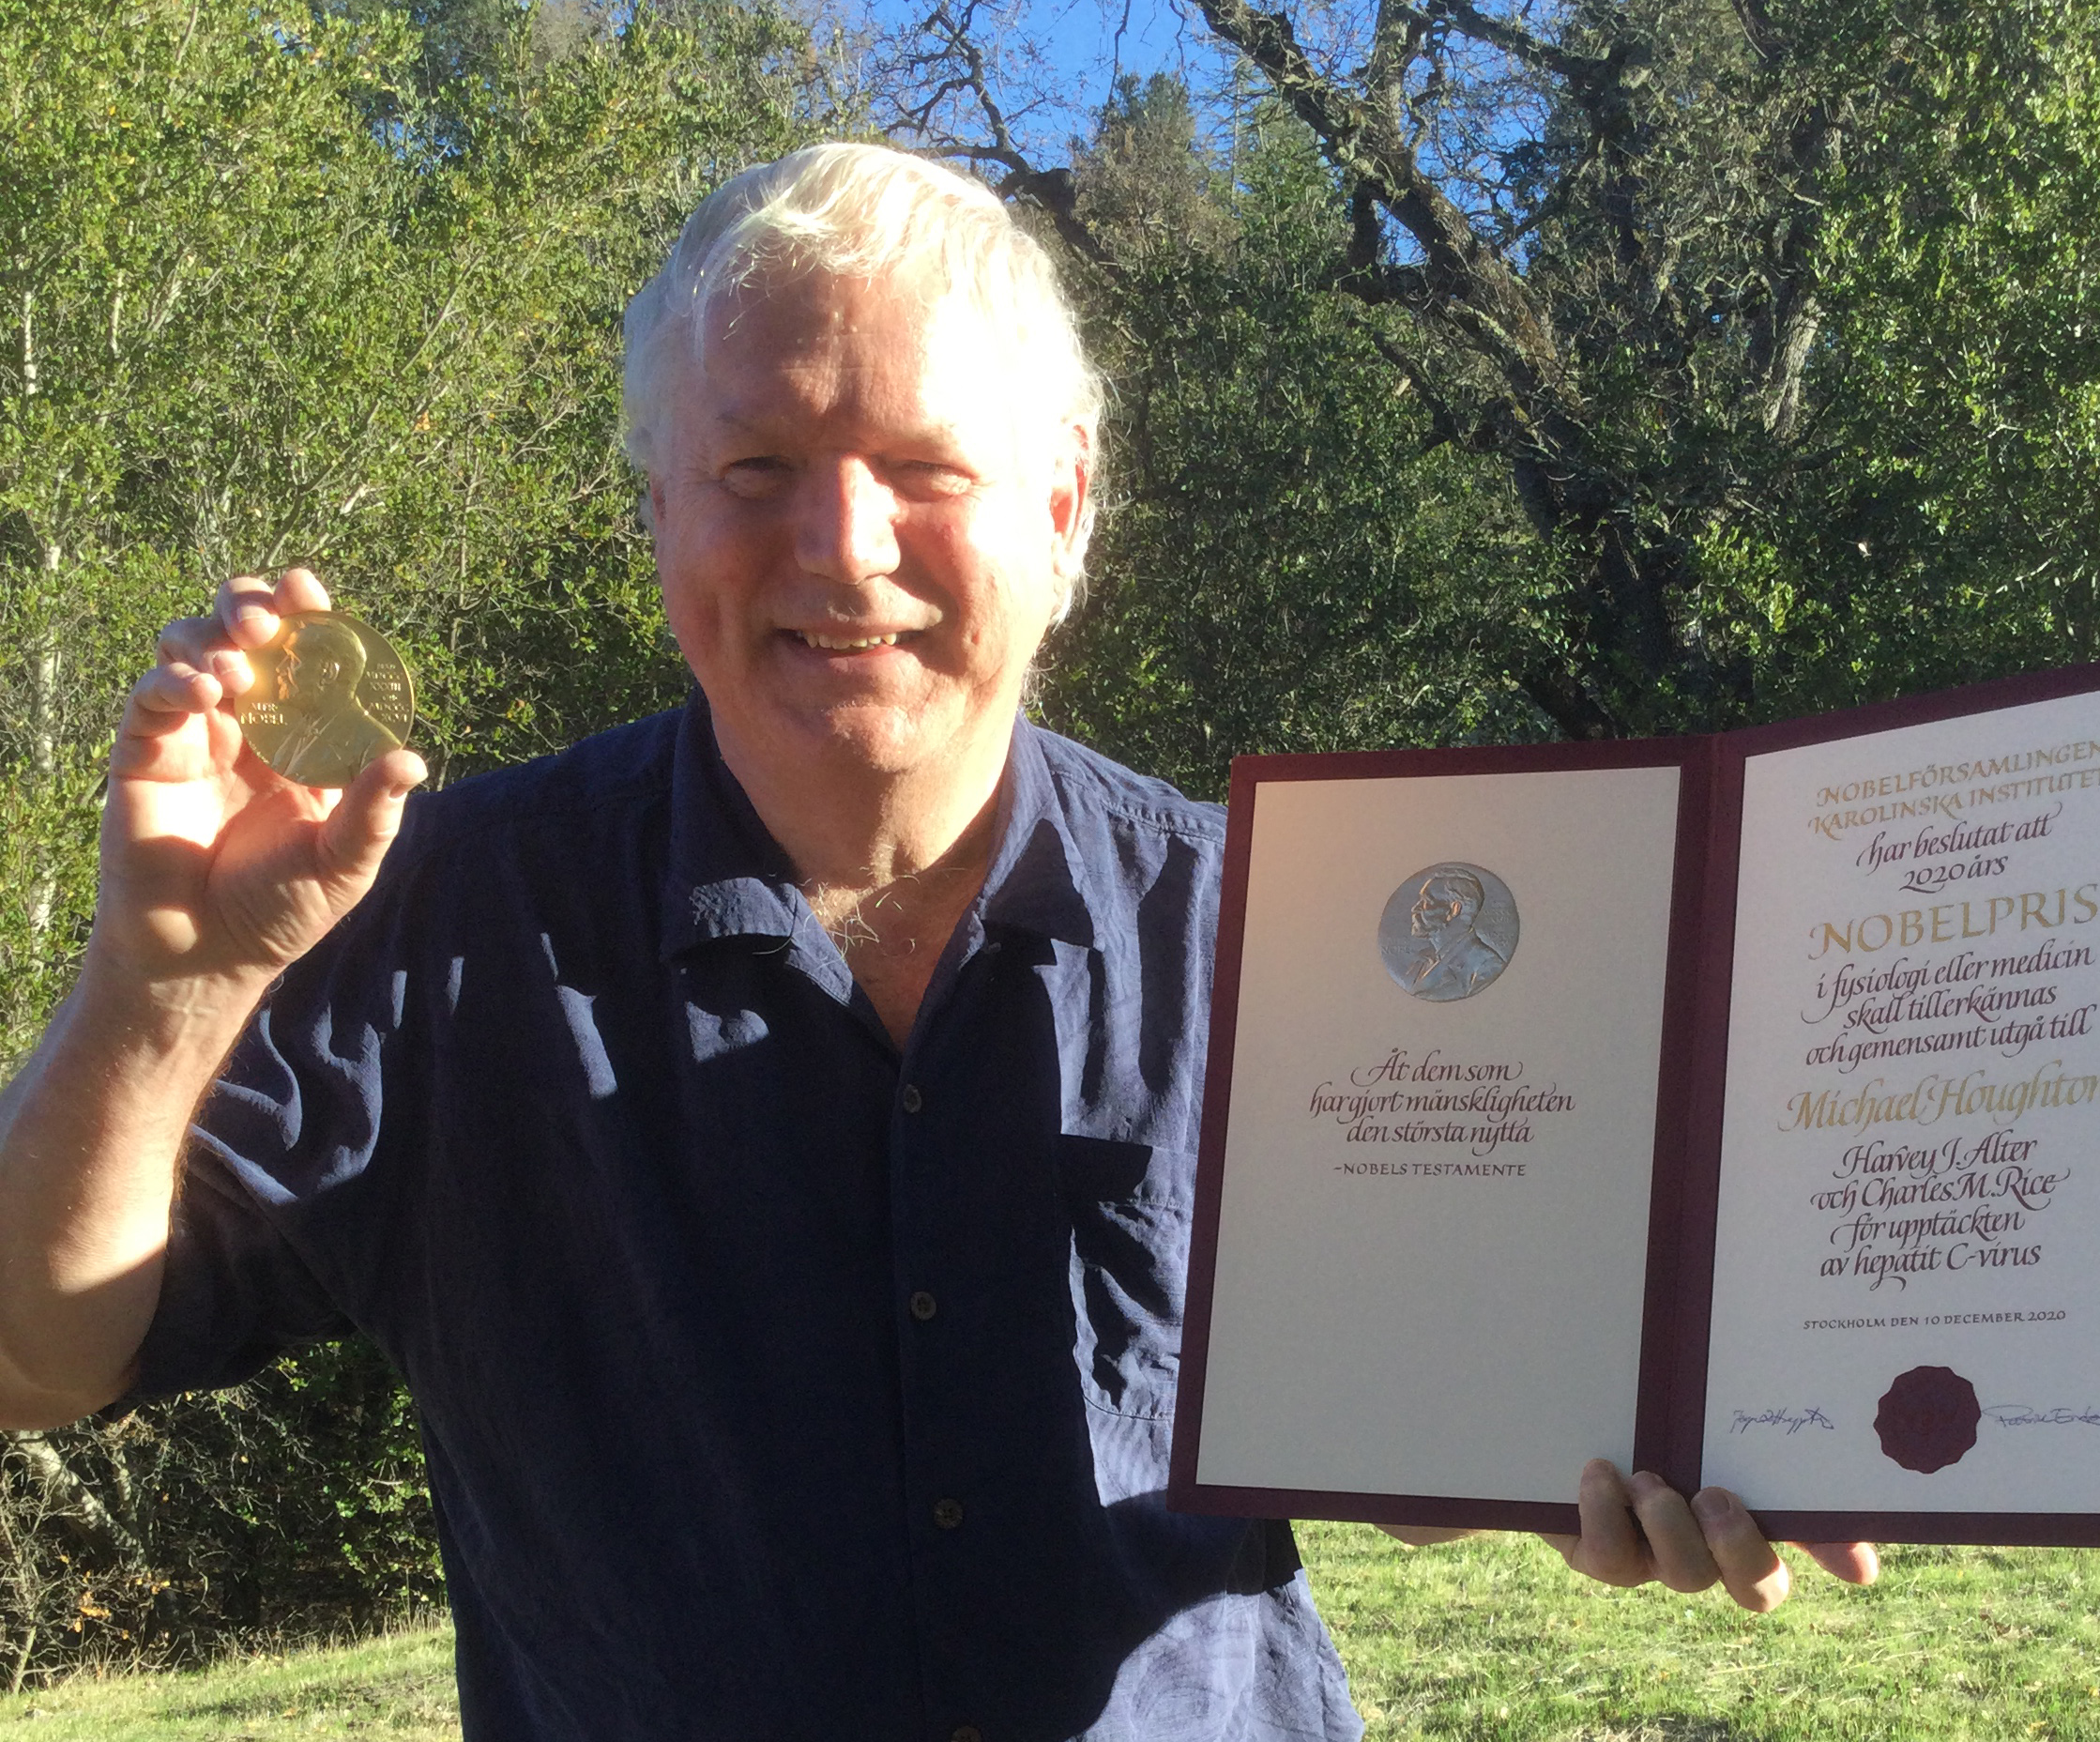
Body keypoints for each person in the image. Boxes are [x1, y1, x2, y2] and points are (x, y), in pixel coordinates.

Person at [0, 145, 1876, 1740]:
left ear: (1062, 509)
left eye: (923, 466)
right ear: (657, 513)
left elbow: (1415, 1434)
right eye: (753, 470)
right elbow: (36, 1357)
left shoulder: (1279, 924)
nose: (840, 543)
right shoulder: (433, 921)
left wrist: (1593, 1457)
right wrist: (159, 999)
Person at [264, 615, 403, 785]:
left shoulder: (377, 747)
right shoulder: (300, 733)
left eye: (293, 659)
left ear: (328, 671)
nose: (280, 668)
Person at [1402, 869, 1510, 1000]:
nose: (1415, 908)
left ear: (1454, 909)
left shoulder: (1487, 968)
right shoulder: (1422, 960)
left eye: (1426, 901)